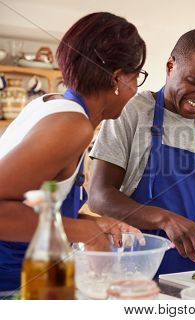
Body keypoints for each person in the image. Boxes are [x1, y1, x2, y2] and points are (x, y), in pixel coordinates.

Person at [88, 29, 195, 276]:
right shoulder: (132, 110)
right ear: (170, 66)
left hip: (187, 266)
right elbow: (99, 196)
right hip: (132, 262)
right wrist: (165, 219)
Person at [0, 12, 146, 295]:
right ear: (117, 78)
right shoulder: (74, 126)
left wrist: (95, 223)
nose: (135, 89)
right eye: (136, 76)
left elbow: (30, 204)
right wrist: (84, 232)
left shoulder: (50, 105)